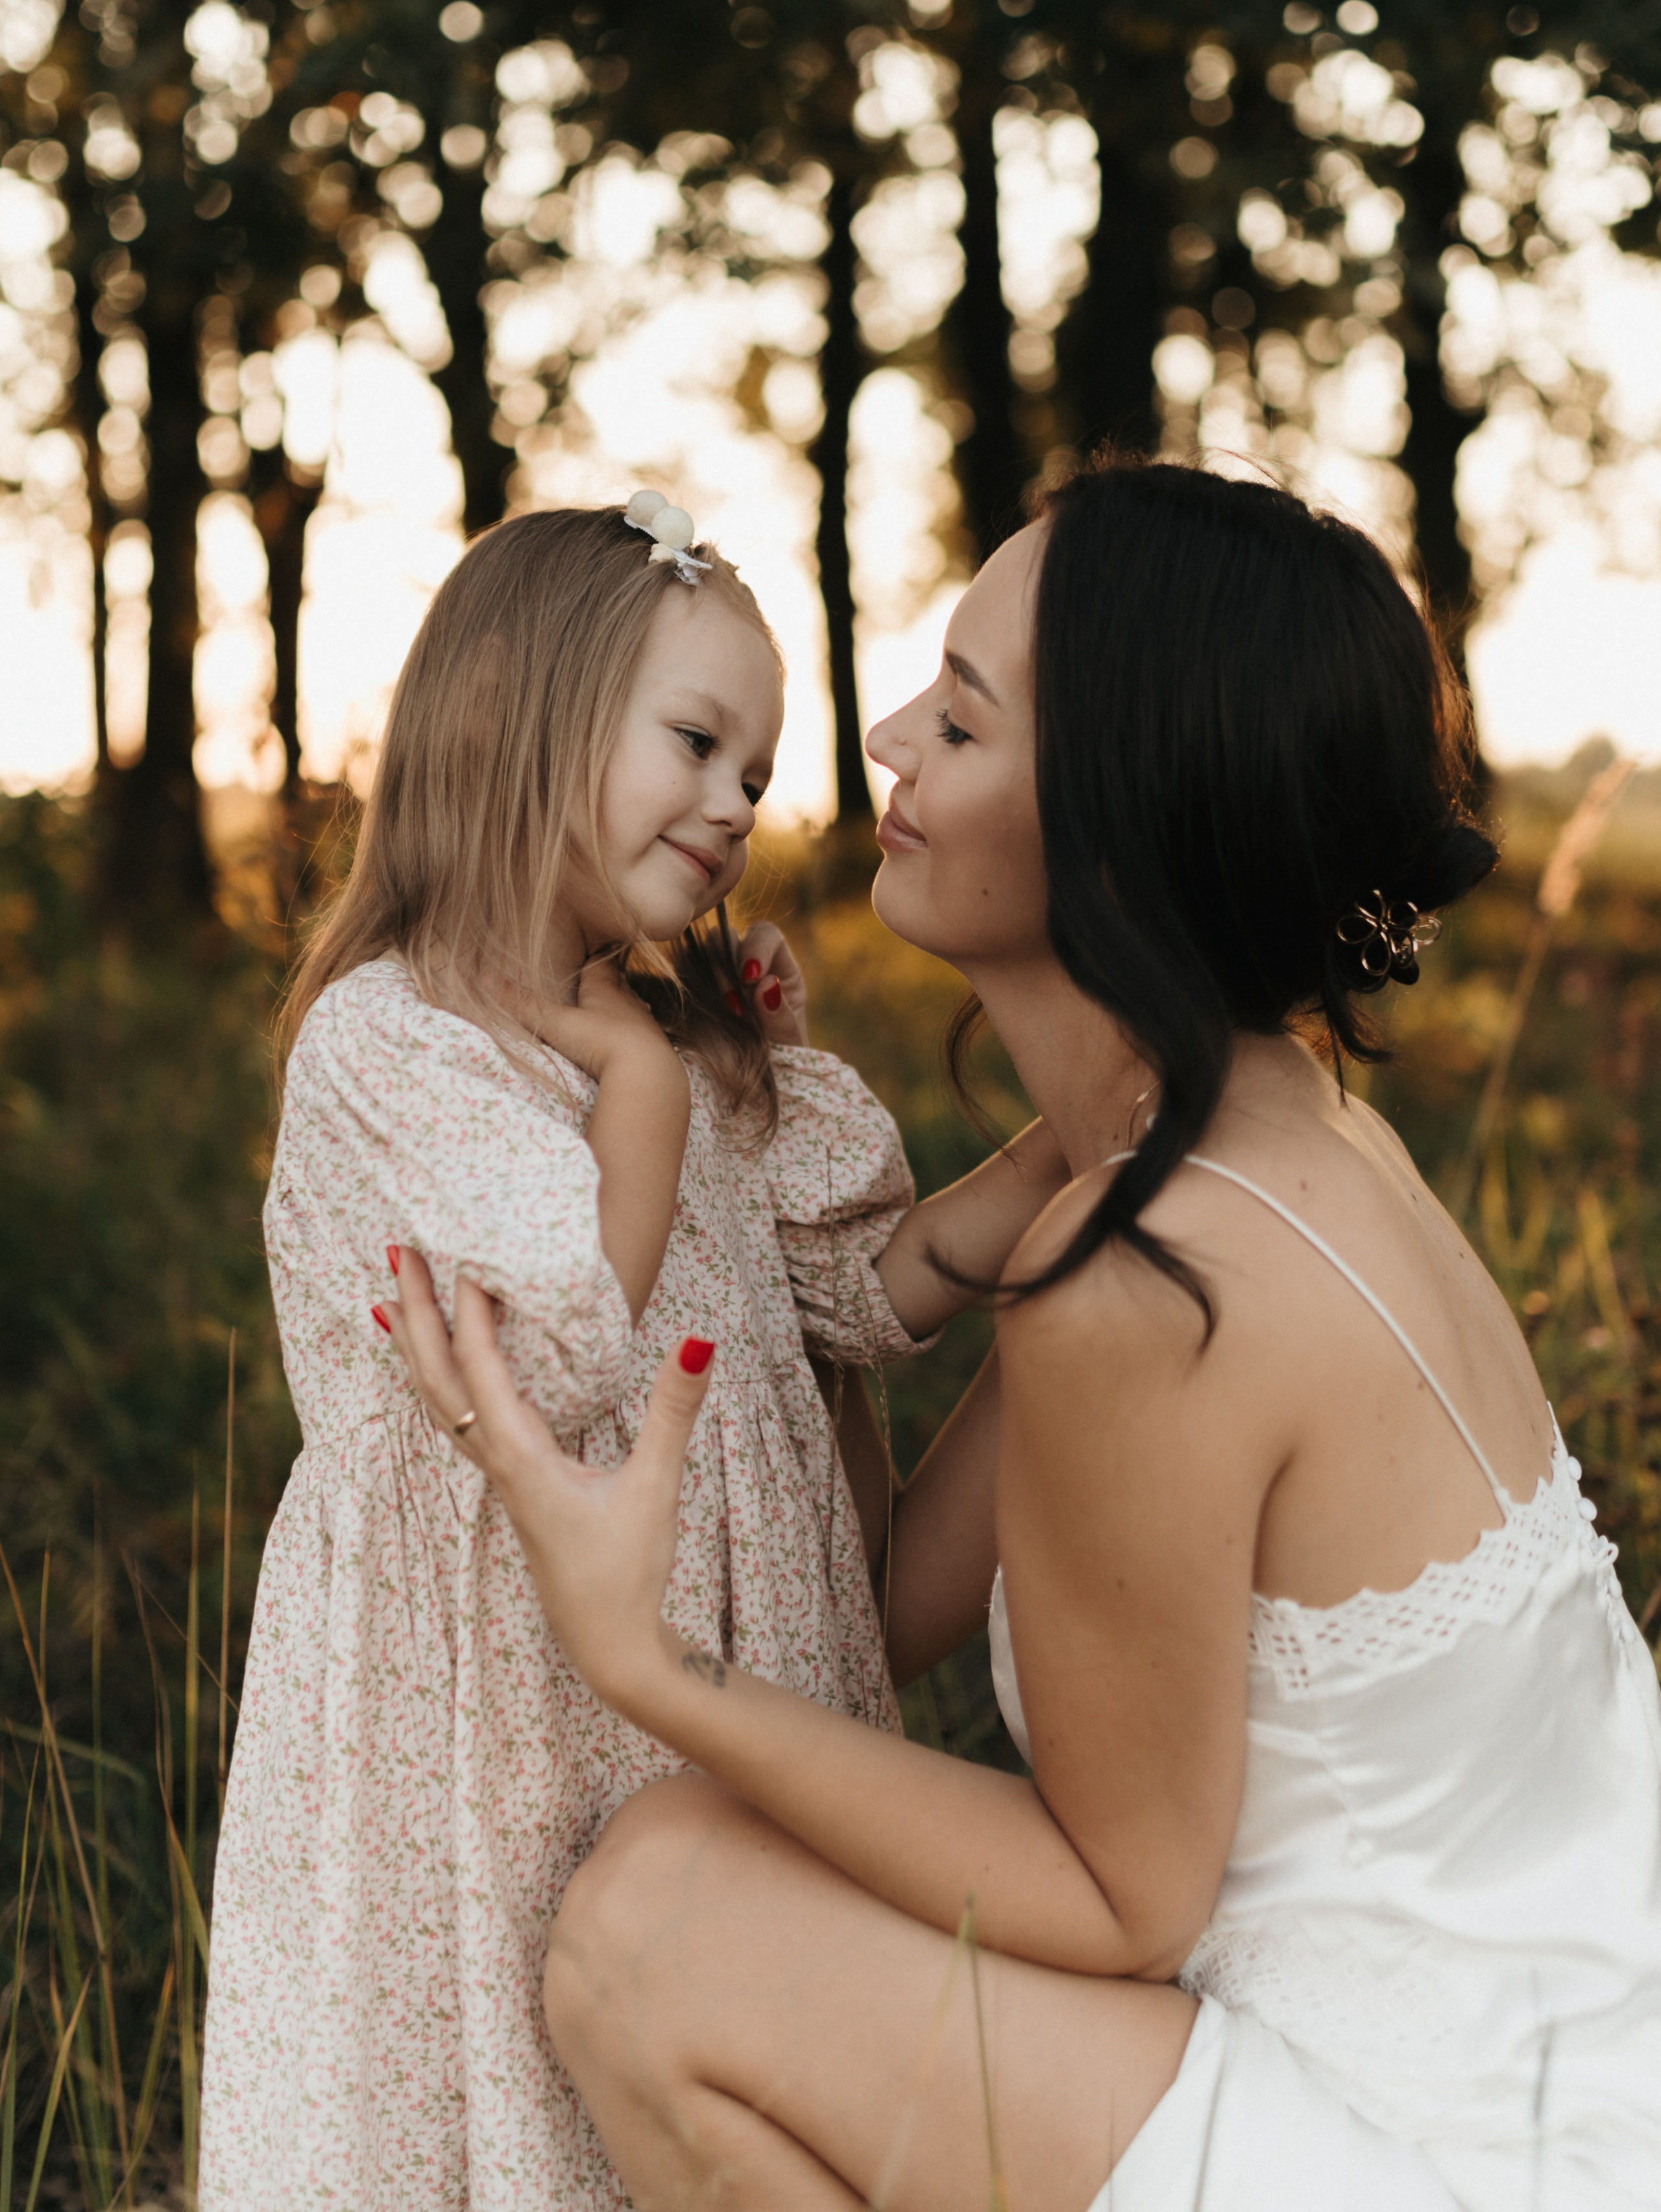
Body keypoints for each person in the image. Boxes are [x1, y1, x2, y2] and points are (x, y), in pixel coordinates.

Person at [382, 455, 1661, 2211]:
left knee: (652, 1922)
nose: (889, 737)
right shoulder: (1245, 1136)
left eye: (964, 724)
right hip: (1562, 2082)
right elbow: (886, 1594)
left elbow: (1121, 1901)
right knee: (697, 1859)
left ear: (1117, 828)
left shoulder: (1154, 1268)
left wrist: (648, 1666)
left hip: (1439, 2150)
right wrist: (757, 1209)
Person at [199, 499, 1067, 2211]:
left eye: (756, 761)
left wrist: (1066, 1156)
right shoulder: (391, 1046)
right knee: (512, 2076)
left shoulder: (658, 1034)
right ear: (505, 713)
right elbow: (565, 1359)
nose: (741, 801)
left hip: (710, 1691)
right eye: (696, 740)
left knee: (702, 2072)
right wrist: (659, 1097)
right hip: (499, 1734)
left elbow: (861, 1287)